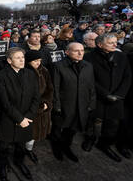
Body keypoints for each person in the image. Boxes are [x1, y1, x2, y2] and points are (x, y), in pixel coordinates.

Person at [83, 34, 132, 162]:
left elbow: (127, 77)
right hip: (98, 97)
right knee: (92, 122)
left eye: (116, 42)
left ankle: (104, 144)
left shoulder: (122, 56)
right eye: (111, 43)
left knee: (112, 124)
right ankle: (90, 139)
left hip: (117, 98)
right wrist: (105, 94)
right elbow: (89, 78)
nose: (115, 45)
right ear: (100, 44)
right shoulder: (89, 57)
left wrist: (120, 94)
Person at [0, 47, 40, 181]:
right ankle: (2, 166)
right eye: (17, 57)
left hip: (27, 117)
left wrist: (28, 116)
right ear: (9, 60)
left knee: (21, 144)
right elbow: (5, 102)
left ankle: (19, 162)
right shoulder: (1, 75)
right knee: (4, 146)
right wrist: (19, 118)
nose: (22, 60)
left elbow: (36, 97)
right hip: (9, 118)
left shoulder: (30, 73)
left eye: (23, 57)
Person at [51, 42, 96, 162]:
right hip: (64, 105)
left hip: (81, 105)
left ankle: (66, 147)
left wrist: (91, 104)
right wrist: (57, 106)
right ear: (67, 52)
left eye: (82, 50)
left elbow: (91, 86)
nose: (80, 53)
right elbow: (55, 87)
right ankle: (57, 148)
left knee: (72, 130)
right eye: (76, 51)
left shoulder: (88, 66)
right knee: (58, 129)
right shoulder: (58, 66)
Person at [23, 50, 54, 164]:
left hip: (42, 109)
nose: (38, 63)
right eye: (35, 61)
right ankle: (21, 151)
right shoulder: (24, 71)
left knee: (34, 134)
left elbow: (49, 89)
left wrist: (46, 103)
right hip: (28, 109)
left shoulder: (44, 70)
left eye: (39, 60)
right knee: (26, 133)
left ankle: (28, 150)